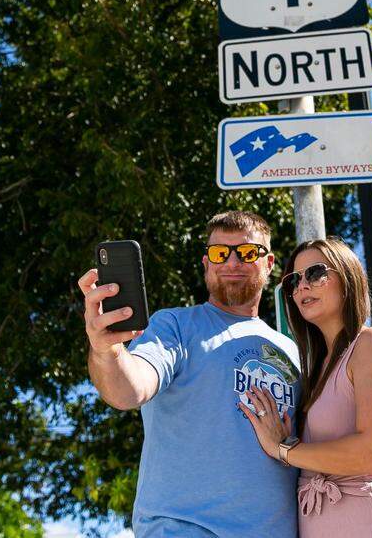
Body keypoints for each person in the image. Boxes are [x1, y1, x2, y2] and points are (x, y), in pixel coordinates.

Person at [78, 211, 302, 537]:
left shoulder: (294, 350)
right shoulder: (176, 326)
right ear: (206, 263)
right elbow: (129, 389)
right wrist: (107, 351)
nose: (232, 262)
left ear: (268, 264)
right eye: (219, 253)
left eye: (248, 252)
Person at [238, 237, 372, 538]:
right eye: (294, 280)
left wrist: (283, 449)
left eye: (315, 273)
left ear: (348, 278)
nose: (302, 286)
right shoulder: (313, 372)